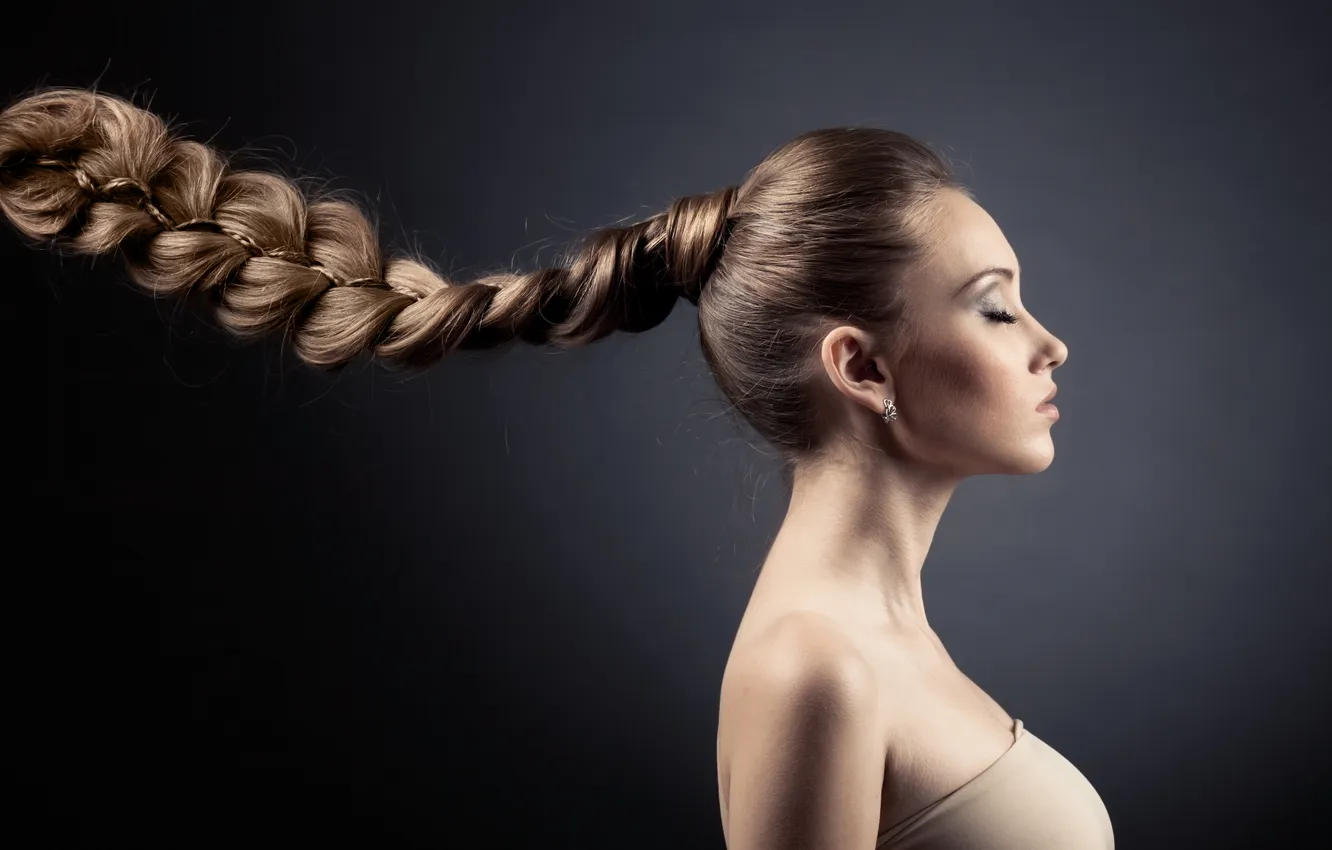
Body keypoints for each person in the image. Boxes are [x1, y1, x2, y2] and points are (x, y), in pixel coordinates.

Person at [0, 86, 1110, 849]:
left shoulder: (884, 644)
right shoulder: (816, 668)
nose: (1046, 342)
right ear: (859, 365)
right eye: (996, 305)